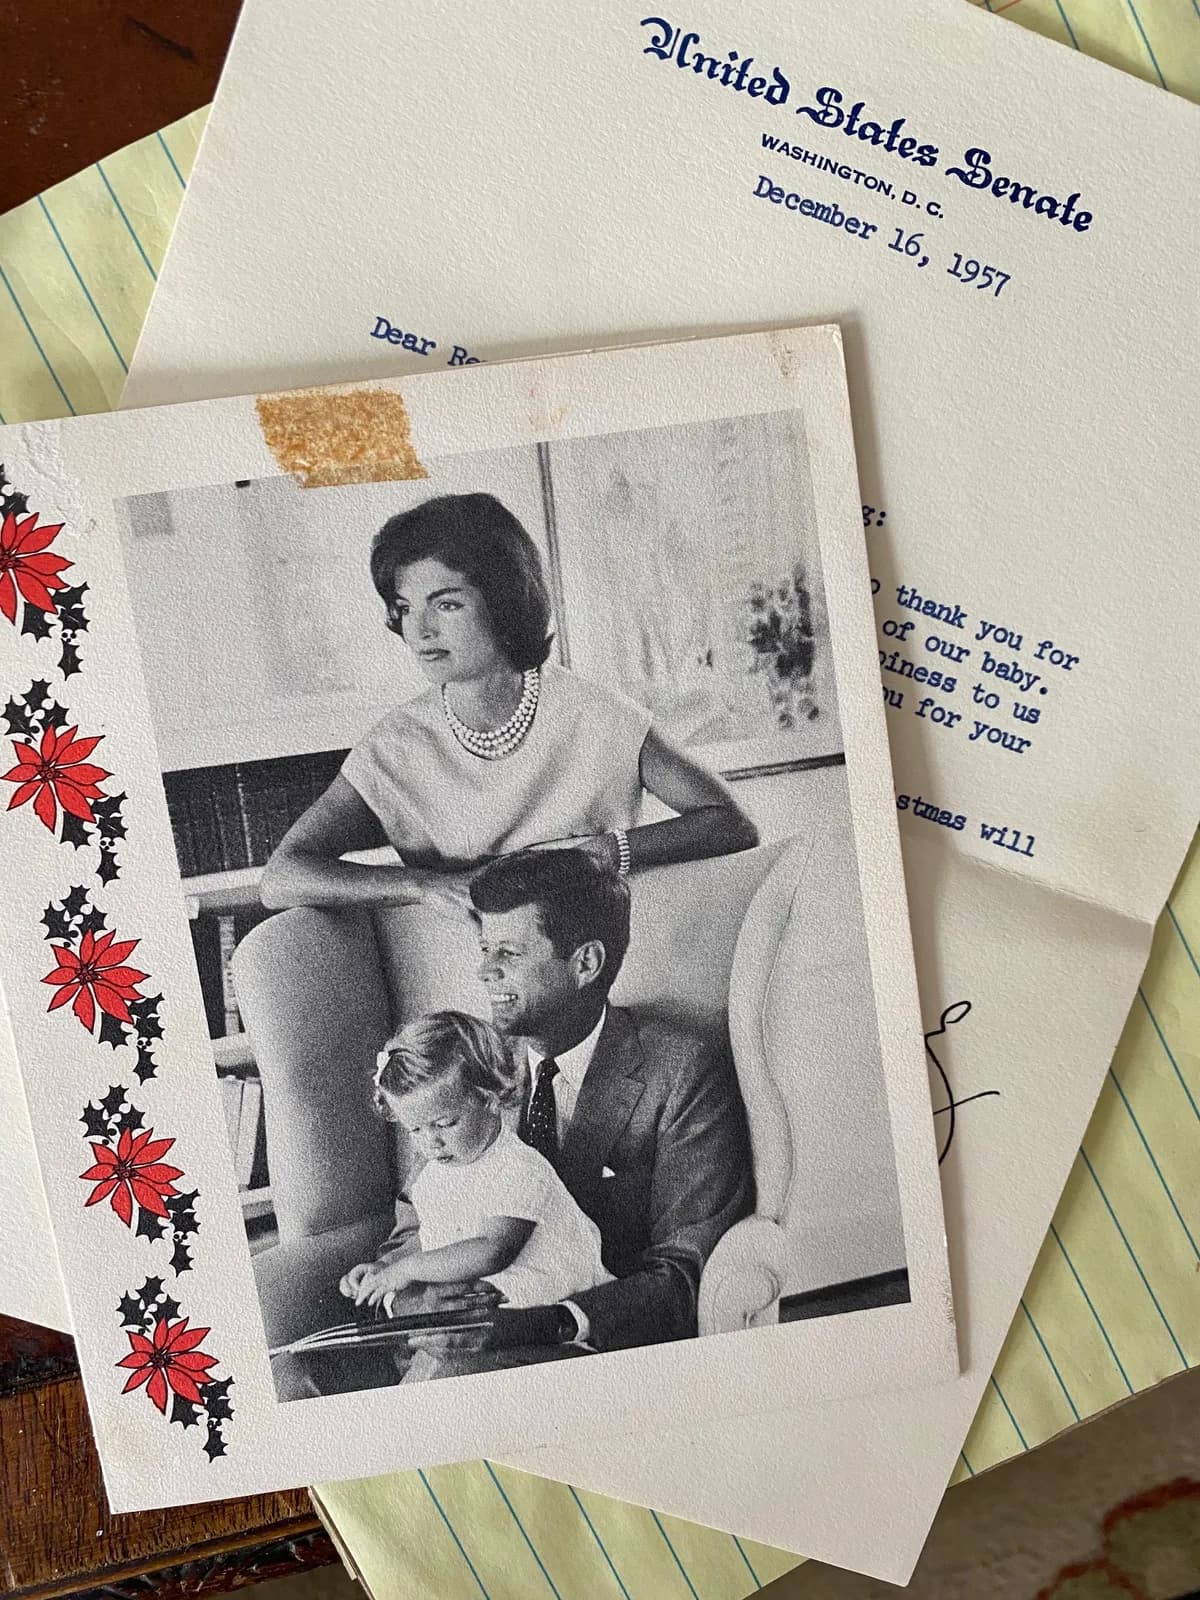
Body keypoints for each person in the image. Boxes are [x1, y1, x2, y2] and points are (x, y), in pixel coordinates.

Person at [259, 492, 757, 915]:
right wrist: (422, 886)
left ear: (504, 601)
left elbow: (731, 824)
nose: (421, 630)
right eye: (406, 608)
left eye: (446, 603)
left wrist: (604, 853)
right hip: (465, 976)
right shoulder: (397, 747)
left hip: (599, 959)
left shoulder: (592, 713)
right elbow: (281, 876)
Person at [402, 848, 756, 1359]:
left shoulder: (683, 1072)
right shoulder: (470, 1067)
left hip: (580, 1346)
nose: (485, 972)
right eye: (484, 949)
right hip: (447, 1341)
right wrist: (415, 1301)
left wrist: (539, 1325)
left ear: (585, 963)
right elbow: (414, 1218)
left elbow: (686, 1272)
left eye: (510, 953)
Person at [340, 1011, 612, 1316]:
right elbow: (434, 1237)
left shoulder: (518, 1166)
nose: (432, 1142)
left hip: (556, 1311)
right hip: (497, 1313)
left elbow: (493, 1249)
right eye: (415, 1129)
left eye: (446, 1123)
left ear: (489, 1099)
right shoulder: (435, 1174)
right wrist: (386, 1266)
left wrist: (408, 1270)